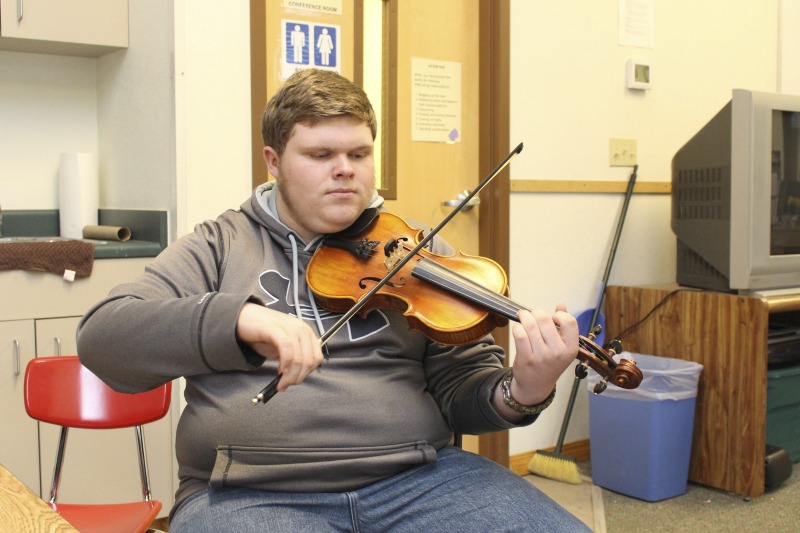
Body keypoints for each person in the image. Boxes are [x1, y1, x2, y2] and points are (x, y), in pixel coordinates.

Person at [77, 68, 590, 532]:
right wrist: (241, 321)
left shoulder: (417, 250)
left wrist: (526, 388)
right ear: (274, 162)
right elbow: (104, 336)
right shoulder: (219, 244)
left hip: (419, 481)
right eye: (321, 155)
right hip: (251, 495)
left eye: (359, 154)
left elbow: (463, 394)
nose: (345, 170)